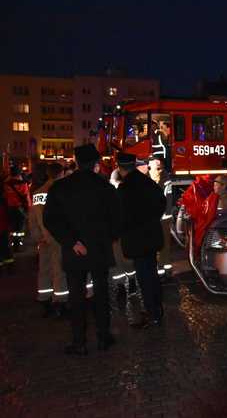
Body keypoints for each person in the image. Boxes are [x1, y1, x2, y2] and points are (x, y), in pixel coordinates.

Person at [43, 145, 121, 355]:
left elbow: (51, 219)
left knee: (76, 297)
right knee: (101, 294)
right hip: (99, 249)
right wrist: (108, 239)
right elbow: (117, 219)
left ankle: (79, 342)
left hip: (75, 251)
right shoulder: (105, 187)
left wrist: (71, 242)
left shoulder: (61, 187)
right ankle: (103, 337)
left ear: (76, 162)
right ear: (95, 164)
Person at [117, 152, 166, 327]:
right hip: (151, 236)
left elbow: (120, 216)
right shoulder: (148, 183)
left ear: (120, 168)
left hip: (136, 239)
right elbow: (162, 202)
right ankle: (157, 310)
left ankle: (152, 314)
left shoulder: (124, 188)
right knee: (151, 274)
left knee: (144, 277)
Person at [31, 163, 68, 317]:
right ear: (61, 173)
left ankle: (44, 298)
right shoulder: (62, 191)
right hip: (58, 238)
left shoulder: (38, 193)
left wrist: (38, 237)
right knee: (59, 270)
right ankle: (60, 302)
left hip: (44, 238)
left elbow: (32, 219)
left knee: (44, 270)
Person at [149, 156, 173, 277]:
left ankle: (166, 270)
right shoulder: (148, 177)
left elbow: (167, 199)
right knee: (155, 243)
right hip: (153, 217)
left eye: (151, 162)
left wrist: (164, 214)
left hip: (163, 218)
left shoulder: (165, 178)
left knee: (164, 244)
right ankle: (159, 269)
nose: (150, 165)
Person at [4, 165, 30, 251]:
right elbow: (26, 197)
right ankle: (19, 243)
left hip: (9, 208)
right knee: (21, 227)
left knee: (12, 226)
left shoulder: (5, 184)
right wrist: (29, 208)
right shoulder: (23, 184)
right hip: (20, 208)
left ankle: (12, 243)